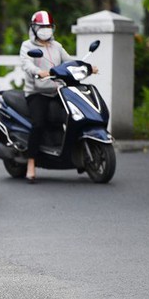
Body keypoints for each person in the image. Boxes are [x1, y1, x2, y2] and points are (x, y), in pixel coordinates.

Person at [20, 10, 97, 182]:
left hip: (57, 91)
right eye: (41, 27)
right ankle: (31, 163)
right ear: (33, 28)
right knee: (38, 123)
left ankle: (77, 154)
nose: (45, 30)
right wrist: (39, 72)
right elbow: (26, 64)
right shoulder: (27, 46)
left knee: (74, 117)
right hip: (37, 93)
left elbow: (69, 62)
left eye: (48, 26)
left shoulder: (57, 46)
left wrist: (87, 67)